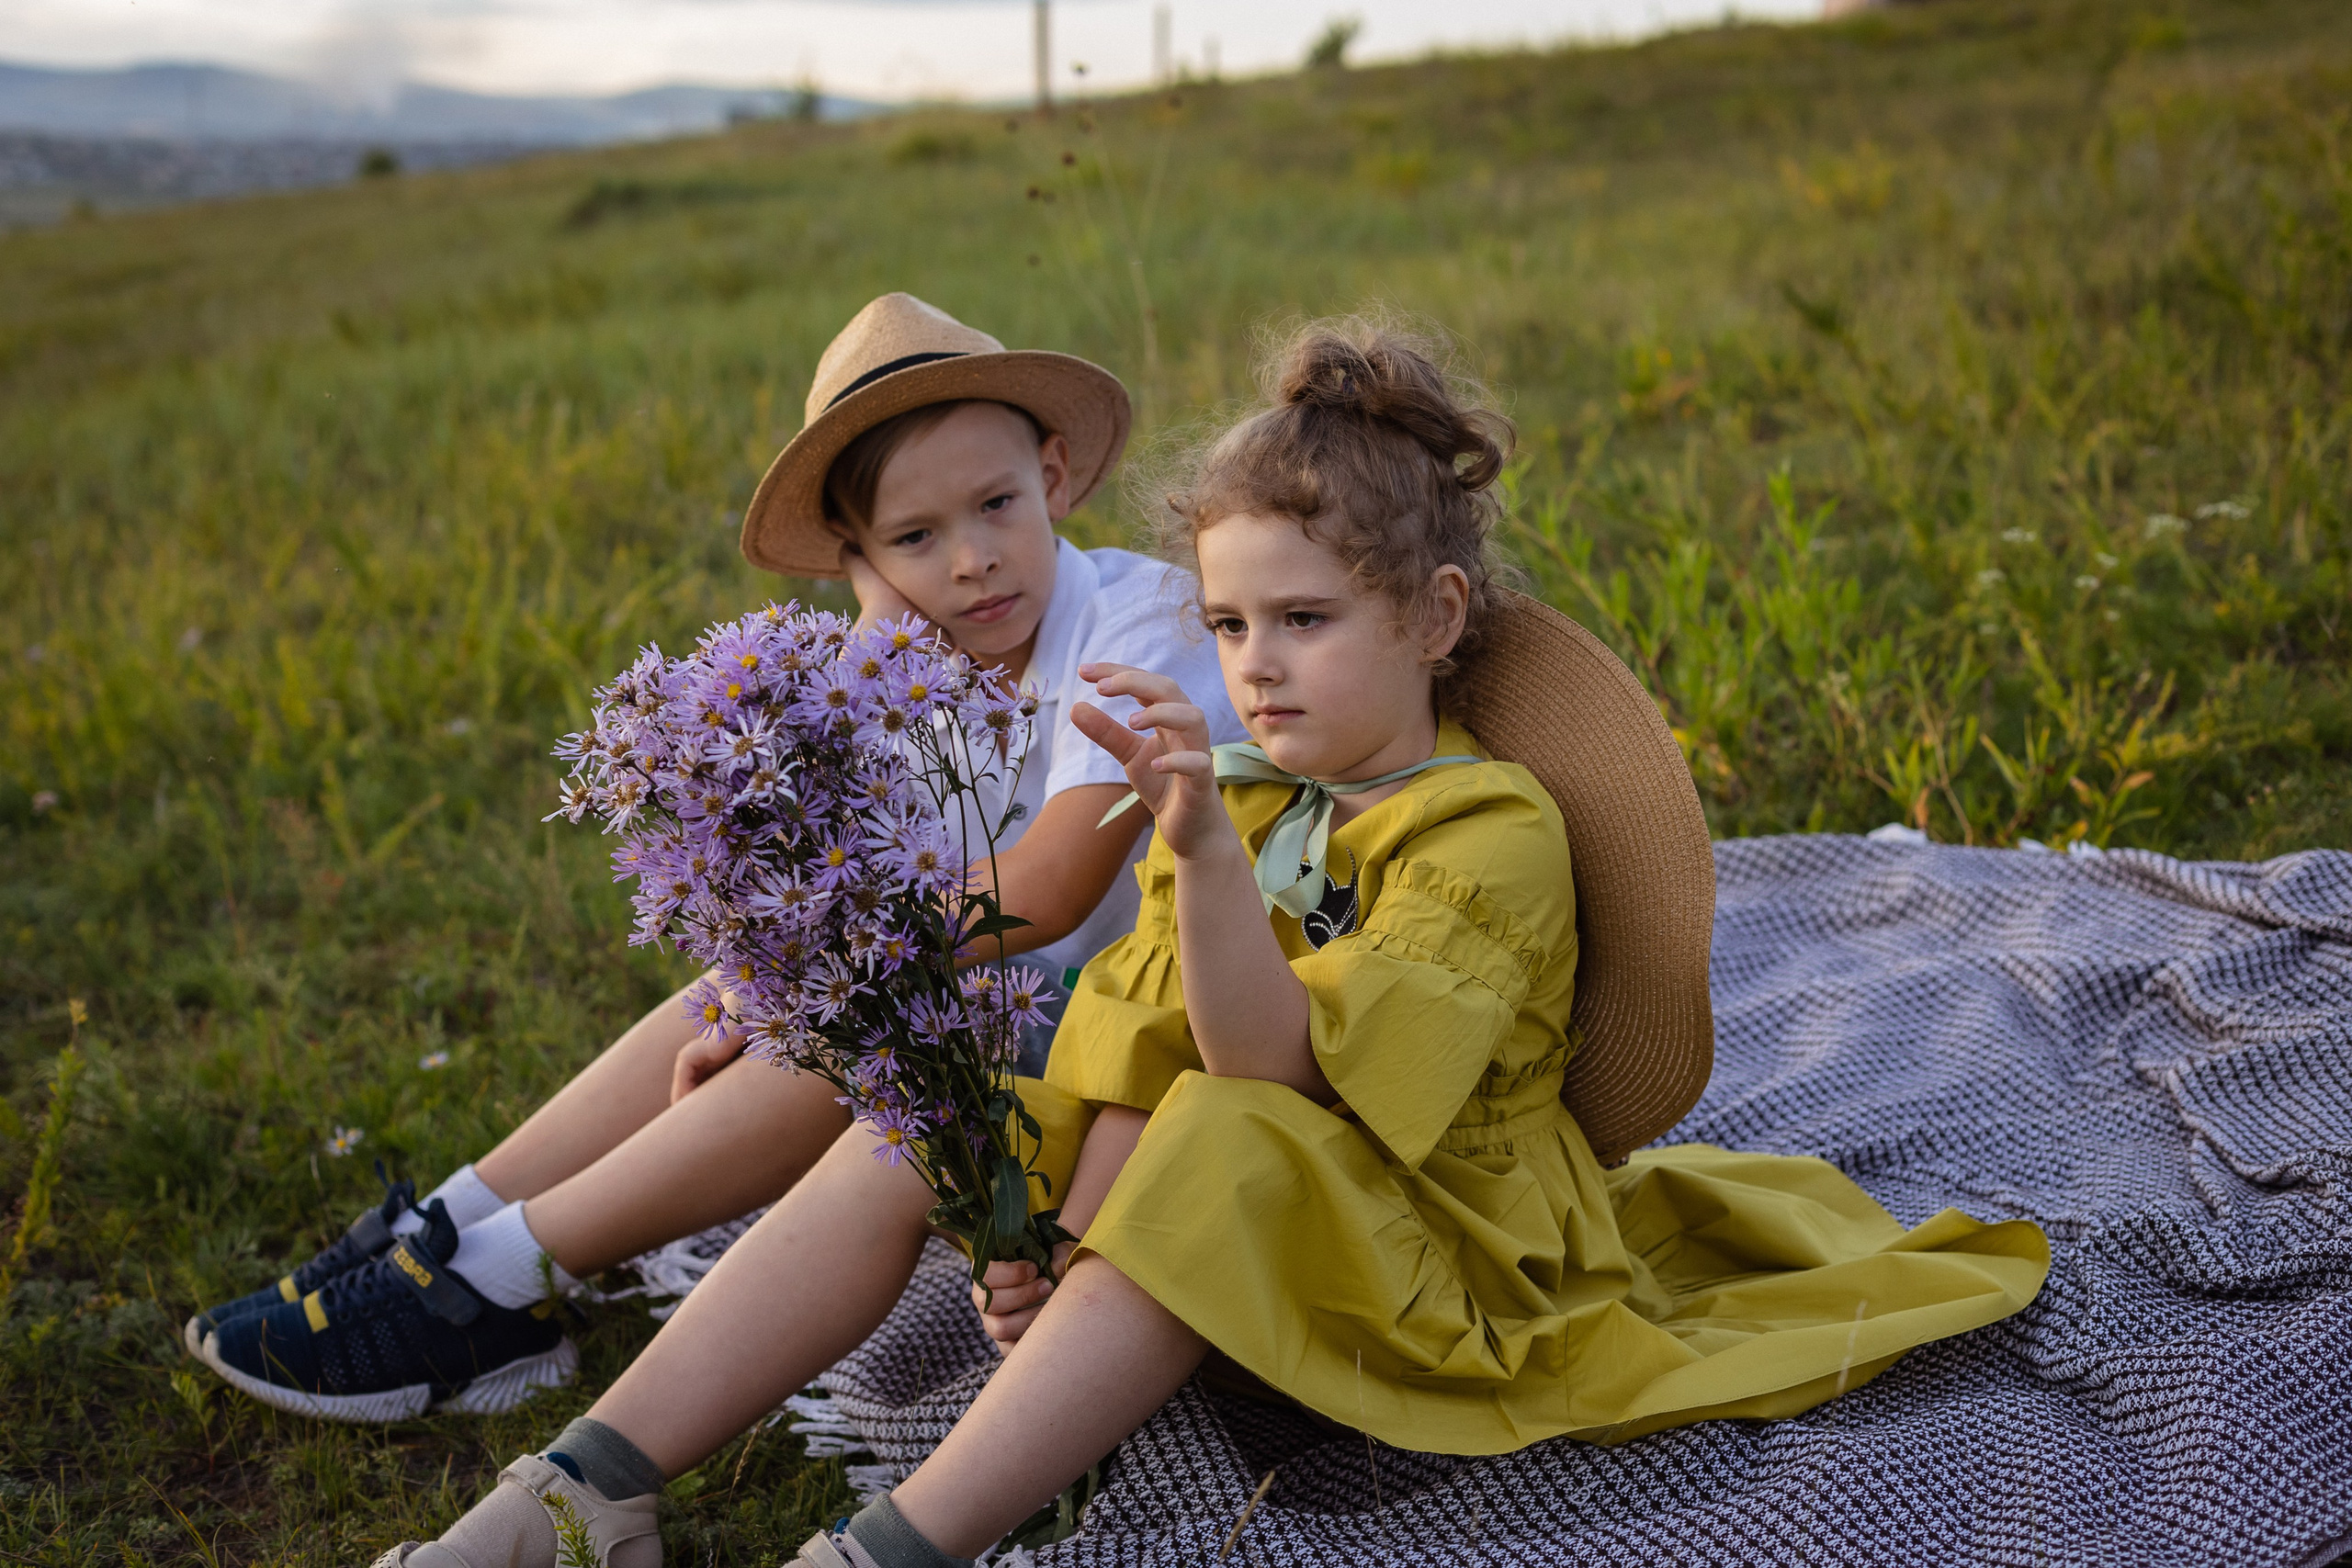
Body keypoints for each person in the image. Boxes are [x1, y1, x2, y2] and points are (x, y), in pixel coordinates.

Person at [373, 319, 2049, 1568]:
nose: (1255, 665)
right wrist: (1060, 1230)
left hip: (1428, 1255)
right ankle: (591, 1484)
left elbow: (1267, 1075)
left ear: (1435, 624)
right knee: (926, 1109)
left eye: (1304, 622)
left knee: (1234, 1128)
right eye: (1234, 623)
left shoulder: (1491, 835)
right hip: (1225, 1228)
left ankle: (901, 1545)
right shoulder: (1243, 794)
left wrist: (1194, 862)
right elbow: (1127, 1036)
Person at [186, 292, 1245, 1423]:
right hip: (995, 1001)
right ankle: (448, 1222)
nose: (975, 562)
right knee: (743, 989)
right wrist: (763, 979)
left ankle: (495, 1283)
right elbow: (855, 881)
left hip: (1140, 1031)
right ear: (864, 560)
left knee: (840, 1009)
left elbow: (1046, 887)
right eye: (915, 539)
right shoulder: (896, 667)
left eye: (996, 504)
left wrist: (796, 988)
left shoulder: (1144, 622)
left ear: (1056, 474)